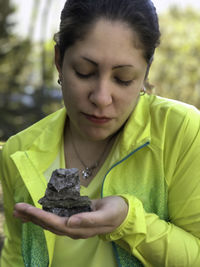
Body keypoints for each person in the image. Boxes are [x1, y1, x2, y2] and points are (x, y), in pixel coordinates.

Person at [0, 0, 200, 266]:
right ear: (59, 60)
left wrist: (127, 221)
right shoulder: (19, 152)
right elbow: (15, 258)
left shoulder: (180, 131)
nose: (101, 98)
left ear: (145, 74)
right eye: (84, 72)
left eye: (123, 79)